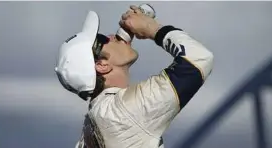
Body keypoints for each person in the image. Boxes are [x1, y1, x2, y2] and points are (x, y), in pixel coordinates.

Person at [55, 5, 214, 148]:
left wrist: (127, 32)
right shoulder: (123, 112)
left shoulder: (95, 118)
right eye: (102, 39)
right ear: (102, 66)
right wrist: (151, 28)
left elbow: (115, 49)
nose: (111, 36)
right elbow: (199, 59)